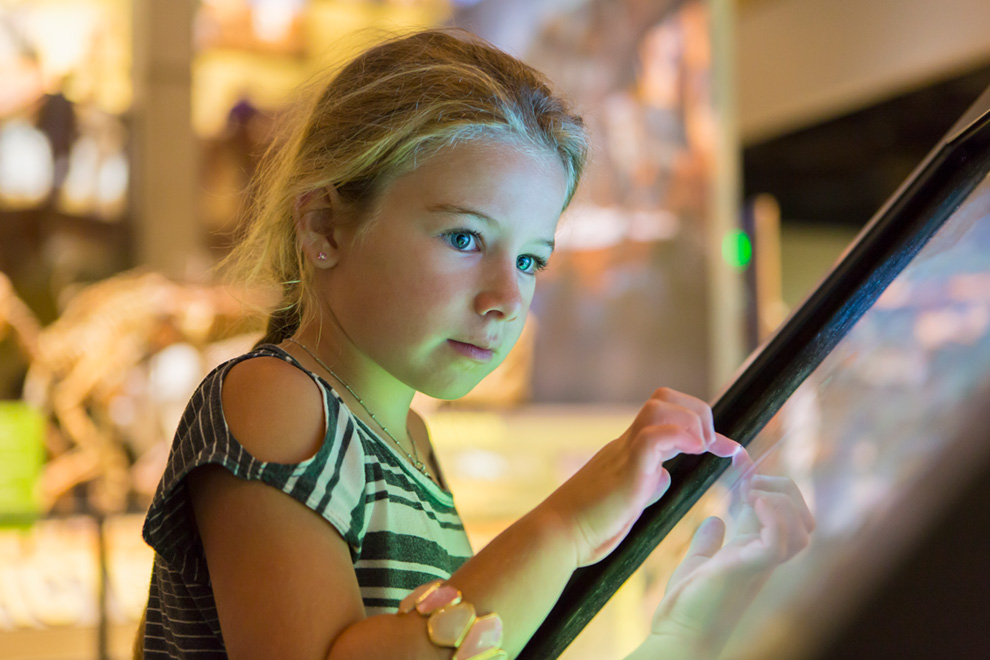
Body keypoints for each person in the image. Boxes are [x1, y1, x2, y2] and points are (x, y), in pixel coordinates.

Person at [137, 28, 814, 660]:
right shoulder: (273, 399)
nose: (506, 299)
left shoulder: (409, 445)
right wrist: (568, 525)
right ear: (325, 227)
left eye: (528, 261)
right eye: (465, 238)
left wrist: (685, 630)